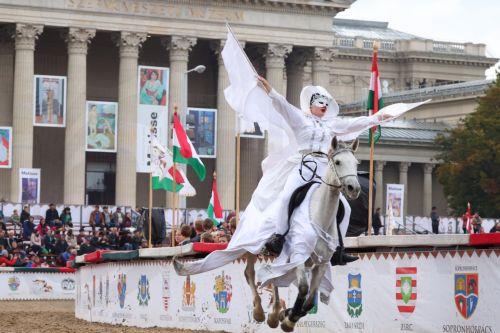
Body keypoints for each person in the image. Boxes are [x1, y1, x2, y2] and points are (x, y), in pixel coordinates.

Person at [175, 70, 402, 304]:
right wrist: (270, 91)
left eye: (326, 102)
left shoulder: (332, 125)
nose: (324, 106)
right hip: (302, 167)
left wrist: (377, 118)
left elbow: (356, 123)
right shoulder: (300, 119)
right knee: (285, 198)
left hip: (325, 168)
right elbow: (283, 106)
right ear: (311, 105)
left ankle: (338, 247)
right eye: (320, 102)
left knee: (343, 205)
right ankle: (279, 237)